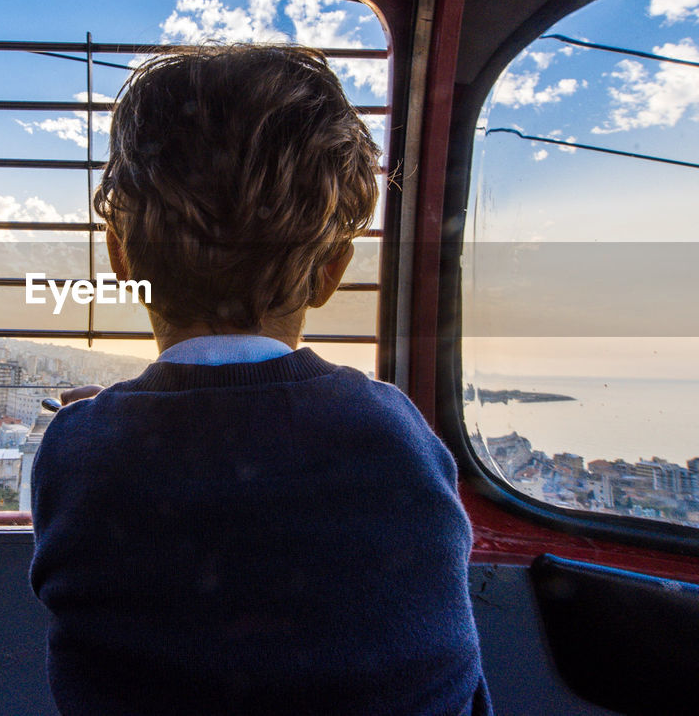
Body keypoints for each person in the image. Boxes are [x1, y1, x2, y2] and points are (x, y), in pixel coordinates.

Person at [29, 45, 491, 715]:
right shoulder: (396, 433)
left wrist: (104, 422)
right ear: (332, 271)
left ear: (120, 255)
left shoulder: (79, 450)